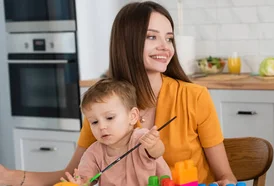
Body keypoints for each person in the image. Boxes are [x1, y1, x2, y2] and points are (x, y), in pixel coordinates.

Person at [0, 1, 237, 186]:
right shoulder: (102, 103)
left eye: (169, 38)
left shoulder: (194, 96)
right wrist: (12, 177)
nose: (166, 46)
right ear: (128, 42)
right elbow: (73, 176)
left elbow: (225, 175)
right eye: (152, 37)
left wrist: (227, 182)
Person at [61, 79, 171, 185]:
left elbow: (157, 152)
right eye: (94, 122)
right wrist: (81, 182)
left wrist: (153, 145)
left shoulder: (140, 138)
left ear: (132, 116)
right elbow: (87, 178)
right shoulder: (94, 152)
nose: (102, 126)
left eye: (109, 118)